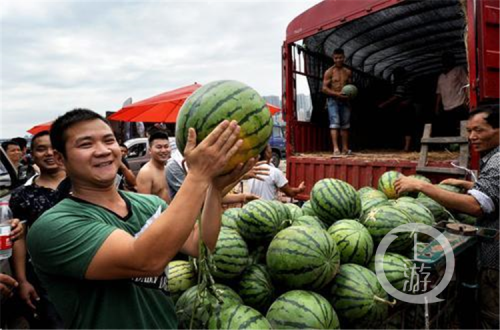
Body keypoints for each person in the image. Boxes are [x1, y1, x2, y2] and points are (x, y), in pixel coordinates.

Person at [26, 108, 253, 329]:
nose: (103, 150)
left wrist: (214, 190)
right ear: (60, 158)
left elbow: (201, 246)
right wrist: (198, 176)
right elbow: (146, 261)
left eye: (109, 140)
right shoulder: (53, 227)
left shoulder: (150, 205)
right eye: (86, 144)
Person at [395, 104, 499, 329]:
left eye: (479, 130)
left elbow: (475, 206)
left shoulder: (498, 161)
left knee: (492, 317)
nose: (472, 137)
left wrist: (422, 186)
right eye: (469, 131)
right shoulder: (493, 157)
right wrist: (468, 184)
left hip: (496, 259)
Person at [9, 131, 67, 329]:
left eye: (54, 148)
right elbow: (19, 237)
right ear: (31, 155)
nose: (49, 153)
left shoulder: (85, 184)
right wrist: (23, 280)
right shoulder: (22, 194)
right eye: (41, 149)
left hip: (89, 271)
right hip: (44, 278)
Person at [322, 48, 353, 156]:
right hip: (333, 101)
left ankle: (345, 148)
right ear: (333, 58)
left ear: (344, 58)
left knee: (345, 125)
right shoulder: (329, 72)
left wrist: (348, 97)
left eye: (340, 57)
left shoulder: (348, 72)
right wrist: (337, 94)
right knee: (334, 124)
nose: (338, 60)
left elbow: (351, 87)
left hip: (345, 102)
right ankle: (336, 149)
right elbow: (324, 89)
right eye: (336, 58)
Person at [378, 67, 416, 152]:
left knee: (407, 127)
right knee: (406, 127)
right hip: (406, 107)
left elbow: (397, 96)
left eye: (395, 75)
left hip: (406, 108)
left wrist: (383, 104)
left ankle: (406, 147)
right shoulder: (407, 83)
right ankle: (406, 146)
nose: (394, 77)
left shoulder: (401, 84)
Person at [435, 51, 469, 137]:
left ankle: (464, 147)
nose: (446, 62)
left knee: (462, 128)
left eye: (449, 59)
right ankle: (452, 147)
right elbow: (439, 93)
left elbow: (466, 85)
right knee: (450, 129)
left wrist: (467, 100)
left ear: (453, 60)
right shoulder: (441, 76)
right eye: (444, 60)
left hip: (459, 104)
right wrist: (437, 107)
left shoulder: (459, 70)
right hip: (446, 107)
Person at [136, 131, 171, 203]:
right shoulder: (146, 172)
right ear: (150, 150)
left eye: (166, 146)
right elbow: (145, 205)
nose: (164, 150)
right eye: (159, 147)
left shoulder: (168, 168)